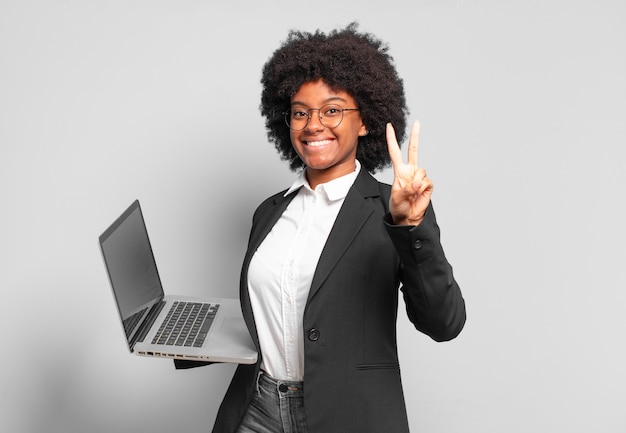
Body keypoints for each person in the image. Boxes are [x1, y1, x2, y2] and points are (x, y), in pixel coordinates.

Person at [177, 22, 466, 433]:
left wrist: (411, 225)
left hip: (347, 415)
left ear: (364, 121)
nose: (313, 125)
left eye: (332, 110)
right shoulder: (268, 213)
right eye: (300, 112)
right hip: (257, 409)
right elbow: (272, 315)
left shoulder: (394, 208)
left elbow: (444, 323)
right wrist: (187, 334)